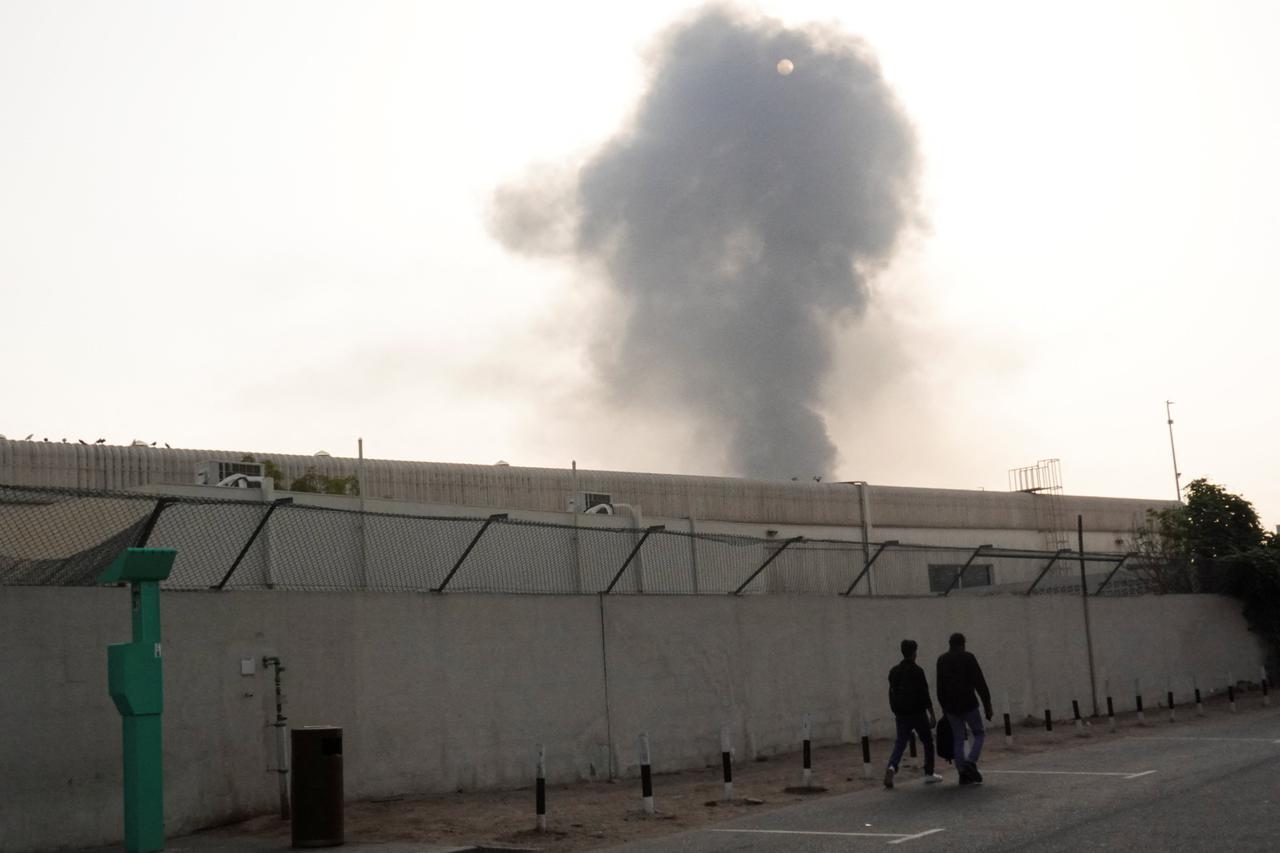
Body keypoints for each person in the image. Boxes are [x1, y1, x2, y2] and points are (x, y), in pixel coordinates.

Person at [884, 639, 943, 788]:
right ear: (914, 653)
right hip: (917, 713)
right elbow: (924, 694)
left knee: (900, 743)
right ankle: (929, 773)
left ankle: (892, 766)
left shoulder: (894, 671)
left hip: (901, 714)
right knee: (928, 742)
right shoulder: (917, 671)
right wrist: (932, 714)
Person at [936, 632, 993, 785]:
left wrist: (944, 707)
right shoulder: (968, 658)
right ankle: (971, 761)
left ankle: (962, 773)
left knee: (958, 739)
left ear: (950, 644)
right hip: (969, 703)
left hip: (951, 707)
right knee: (979, 733)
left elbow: (939, 687)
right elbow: (979, 682)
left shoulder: (941, 660)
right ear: (963, 644)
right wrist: (987, 704)